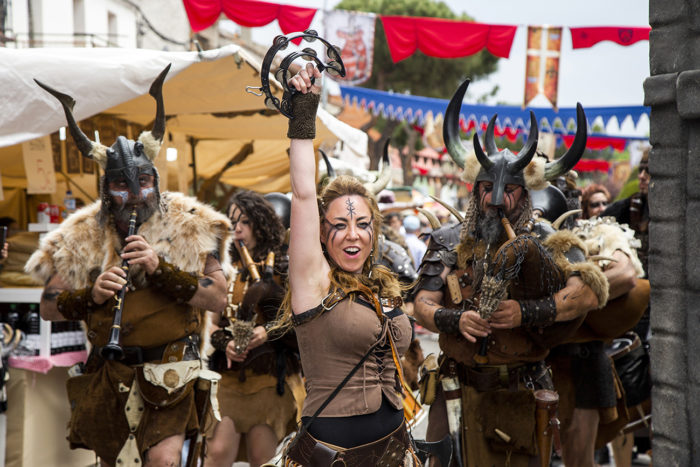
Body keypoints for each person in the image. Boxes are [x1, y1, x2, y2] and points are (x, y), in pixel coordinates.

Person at [25, 67, 232, 467]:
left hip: (171, 370)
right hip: (110, 372)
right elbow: (48, 306)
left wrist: (160, 269)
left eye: (144, 184)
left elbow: (218, 297)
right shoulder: (84, 233)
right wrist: (92, 294)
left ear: (155, 180)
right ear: (107, 190)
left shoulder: (187, 224)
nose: (136, 196)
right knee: (113, 463)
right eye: (123, 187)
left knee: (163, 461)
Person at [413, 79, 608, 467]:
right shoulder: (449, 239)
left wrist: (526, 312)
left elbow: (587, 292)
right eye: (486, 187)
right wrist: (455, 319)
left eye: (508, 191)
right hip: (456, 389)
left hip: (523, 392)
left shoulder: (547, 237)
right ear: (475, 189)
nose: (496, 199)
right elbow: (420, 304)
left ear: (525, 194)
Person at [280, 63, 416, 465]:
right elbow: (304, 195)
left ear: (375, 231)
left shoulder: (382, 286)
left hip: (395, 448)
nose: (352, 234)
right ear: (322, 235)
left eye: (362, 224)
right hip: (331, 455)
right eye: (339, 226)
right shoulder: (313, 282)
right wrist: (304, 110)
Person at [204, 190, 303, 467]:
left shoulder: (282, 263)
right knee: (218, 452)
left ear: (259, 223)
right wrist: (225, 343)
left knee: (264, 457)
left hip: (270, 378)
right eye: (232, 221)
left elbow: (299, 320)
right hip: (228, 377)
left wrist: (267, 333)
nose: (236, 228)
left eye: (244, 222)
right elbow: (209, 323)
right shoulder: (220, 265)